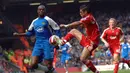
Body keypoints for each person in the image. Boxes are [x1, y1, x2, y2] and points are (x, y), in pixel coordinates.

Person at [13, 5, 60, 73]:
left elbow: (57, 28)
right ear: (37, 11)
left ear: (45, 11)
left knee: (49, 65)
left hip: (47, 43)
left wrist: (57, 42)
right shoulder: (34, 21)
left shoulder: (48, 20)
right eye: (39, 9)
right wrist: (18, 34)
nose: (41, 11)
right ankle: (46, 70)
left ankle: (50, 70)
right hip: (38, 43)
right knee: (33, 64)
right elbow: (29, 33)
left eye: (42, 9)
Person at [60, 5, 100, 73]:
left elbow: (79, 23)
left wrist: (66, 25)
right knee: (83, 59)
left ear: (86, 12)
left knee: (73, 31)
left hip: (91, 42)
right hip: (91, 41)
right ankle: (96, 72)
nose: (80, 13)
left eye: (81, 12)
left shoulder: (88, 17)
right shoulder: (90, 18)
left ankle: (62, 42)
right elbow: (82, 25)